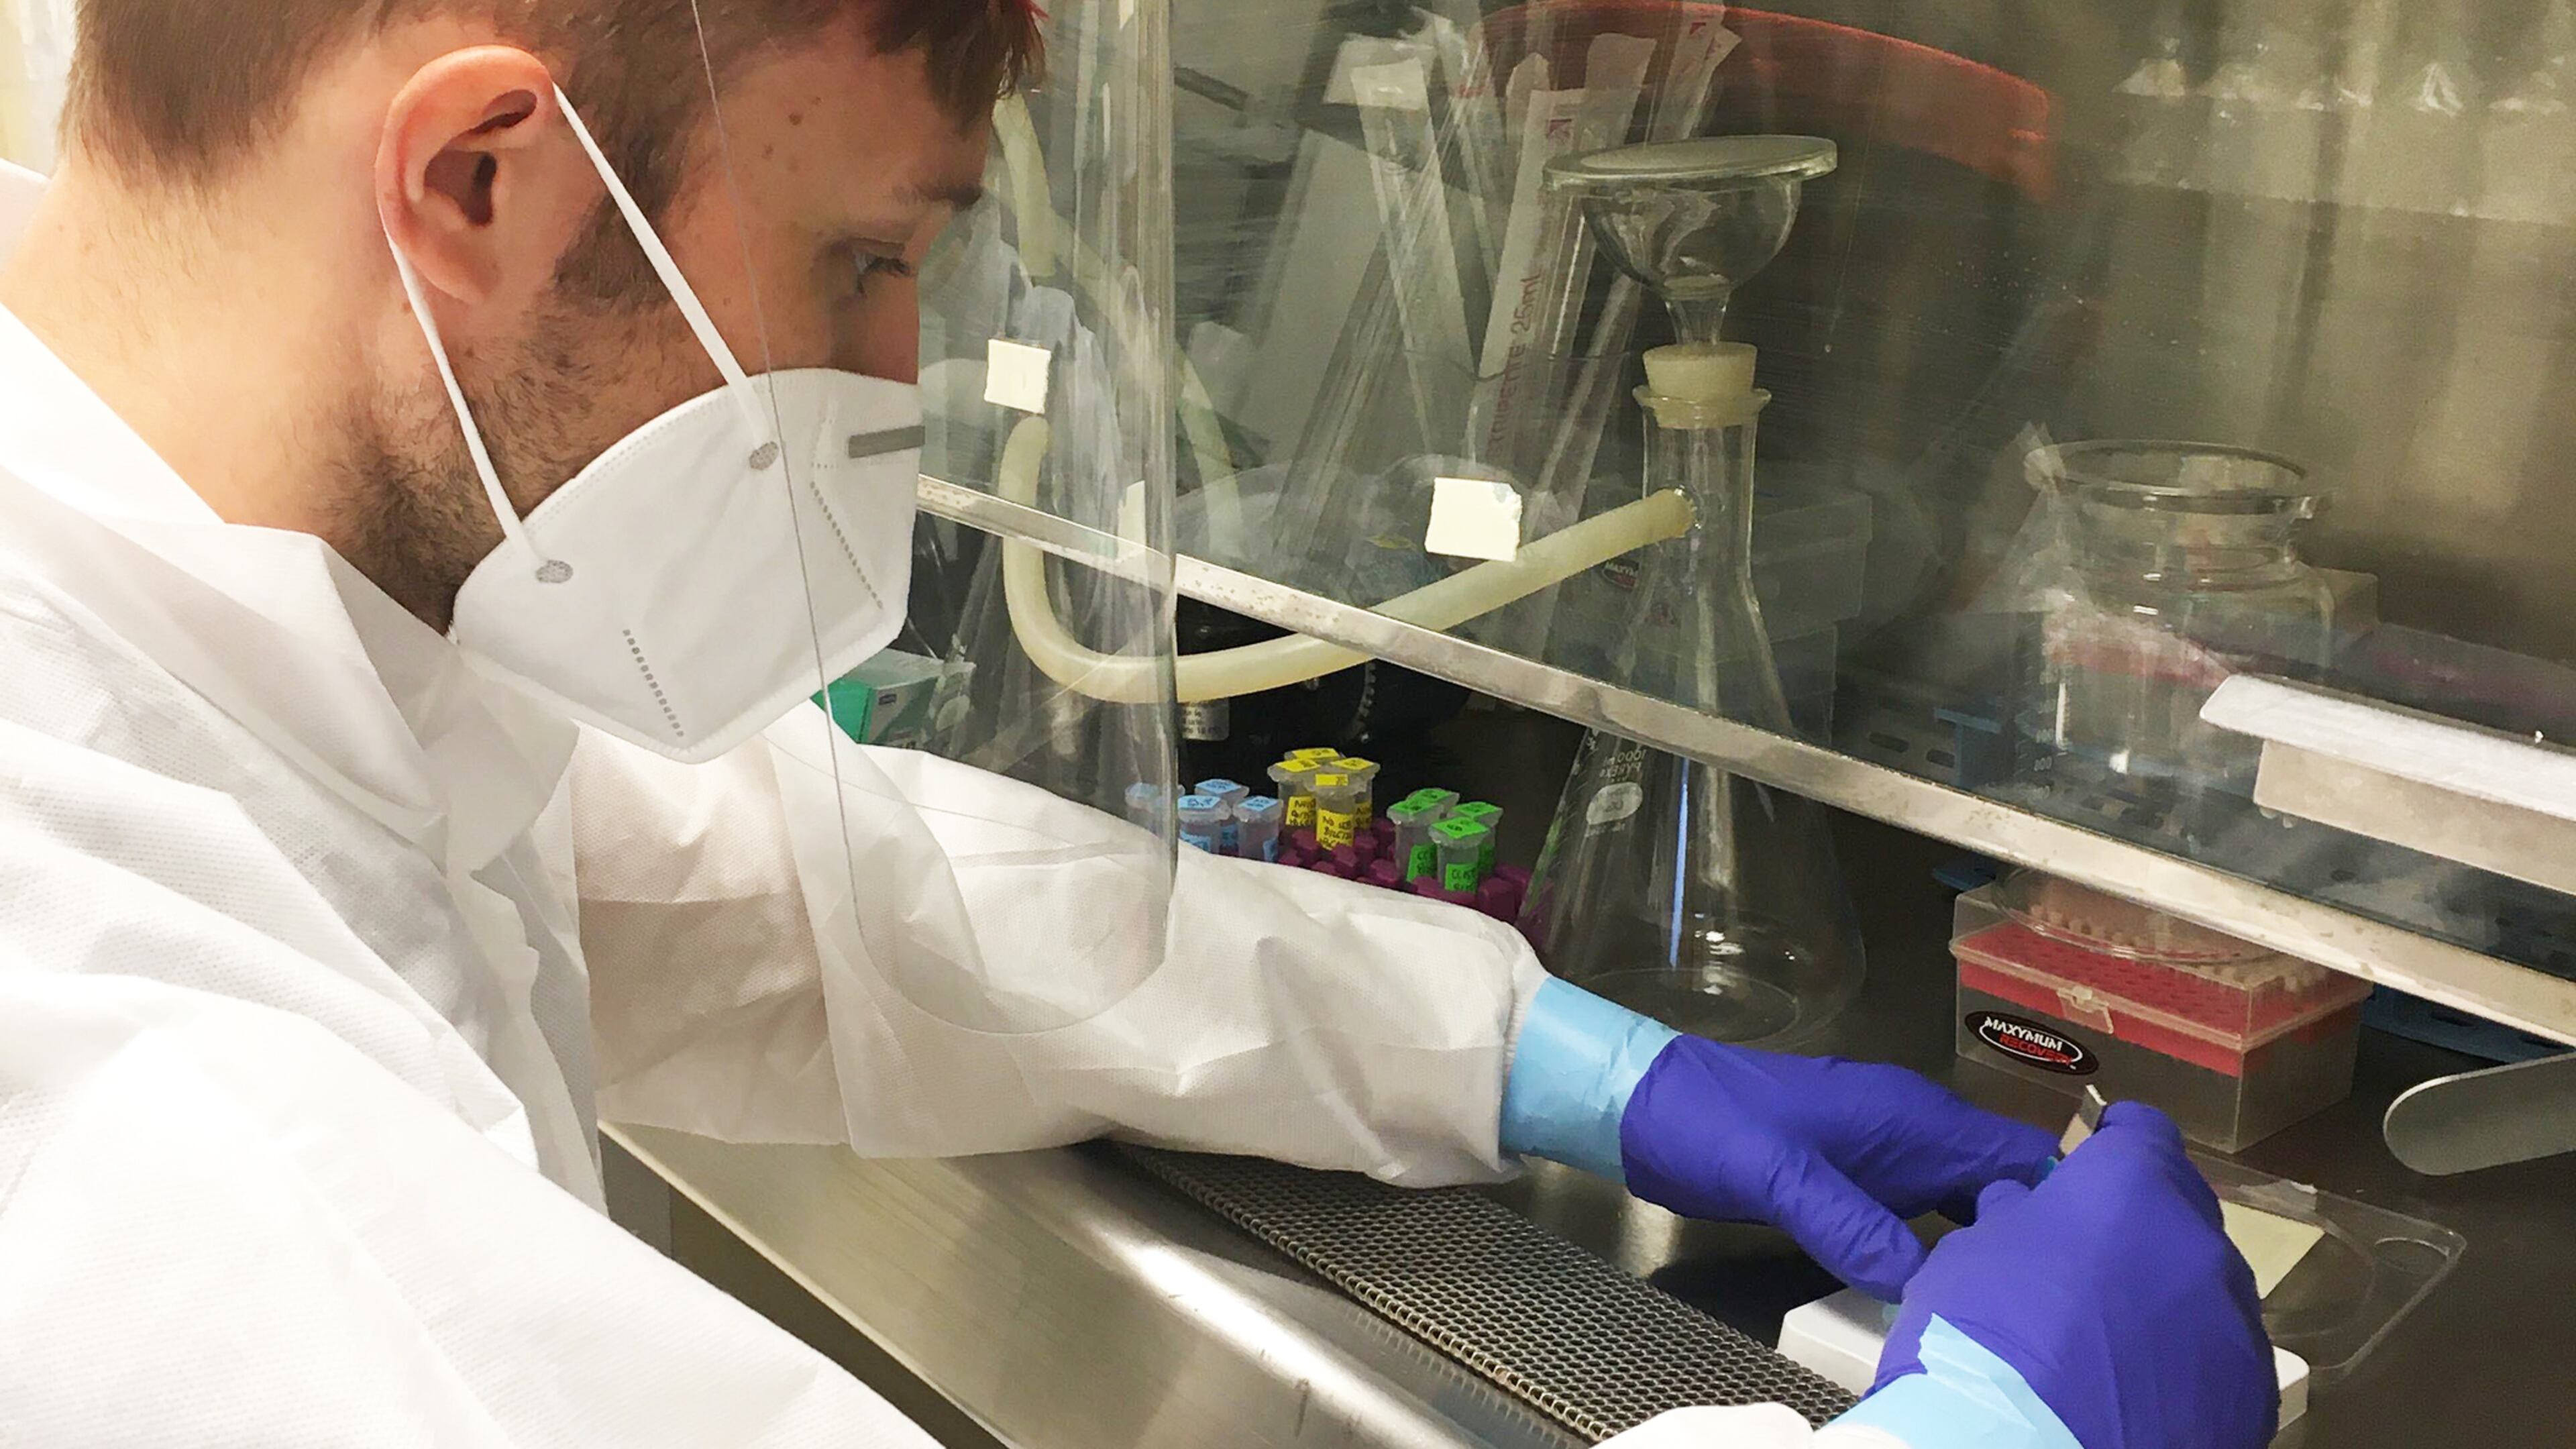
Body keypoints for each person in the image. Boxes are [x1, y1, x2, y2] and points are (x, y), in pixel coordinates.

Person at [0, 2, 2272, 1444]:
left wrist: (1542, 1053)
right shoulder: (134, 1110)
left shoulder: (232, 632)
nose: (889, 387)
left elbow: (821, 895)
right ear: (475, 180)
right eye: (865, 260)